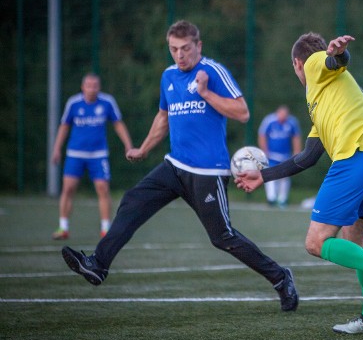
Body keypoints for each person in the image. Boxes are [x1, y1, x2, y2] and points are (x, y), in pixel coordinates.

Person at [60, 20, 298, 312]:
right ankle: (98, 265)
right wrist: (144, 149)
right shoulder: (168, 77)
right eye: (174, 49)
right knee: (133, 200)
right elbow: (163, 118)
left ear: (199, 46)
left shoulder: (212, 71)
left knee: (222, 237)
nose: (180, 55)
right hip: (174, 166)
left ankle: (280, 277)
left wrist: (206, 93)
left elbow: (243, 112)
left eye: (185, 49)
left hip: (208, 172)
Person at [236, 33, 363, 334]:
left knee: (316, 243)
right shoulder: (323, 99)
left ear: (296, 63)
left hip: (354, 160)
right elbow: (306, 157)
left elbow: (334, 61)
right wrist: (262, 176)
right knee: (354, 242)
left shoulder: (315, 66)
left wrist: (337, 54)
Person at [51, 73, 133, 240]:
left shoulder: (107, 102)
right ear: (83, 87)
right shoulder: (73, 103)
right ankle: (63, 227)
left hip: (98, 155)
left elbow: (118, 124)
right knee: (68, 189)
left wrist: (128, 145)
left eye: (95, 85)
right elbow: (64, 127)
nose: (92, 88)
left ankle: (105, 229)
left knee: (103, 189)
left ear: (99, 87)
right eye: (88, 85)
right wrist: (56, 149)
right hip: (75, 153)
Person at [258, 105, 302, 208]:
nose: (283, 118)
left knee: (285, 177)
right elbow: (262, 135)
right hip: (272, 155)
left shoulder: (292, 122)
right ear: (277, 113)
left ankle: (282, 199)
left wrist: (296, 151)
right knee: (270, 175)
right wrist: (264, 151)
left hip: (286, 156)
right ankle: (271, 198)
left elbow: (296, 137)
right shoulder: (269, 121)